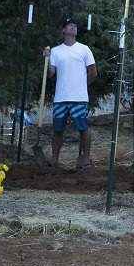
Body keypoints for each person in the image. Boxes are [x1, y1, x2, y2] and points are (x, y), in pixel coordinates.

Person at [43, 17, 97, 169]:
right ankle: (54, 161)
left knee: (83, 128)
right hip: (60, 98)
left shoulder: (84, 49)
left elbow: (93, 72)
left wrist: (82, 86)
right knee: (57, 129)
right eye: (70, 25)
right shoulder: (55, 51)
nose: (73, 27)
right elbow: (50, 73)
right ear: (63, 30)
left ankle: (86, 160)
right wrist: (47, 59)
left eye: (75, 25)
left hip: (79, 98)